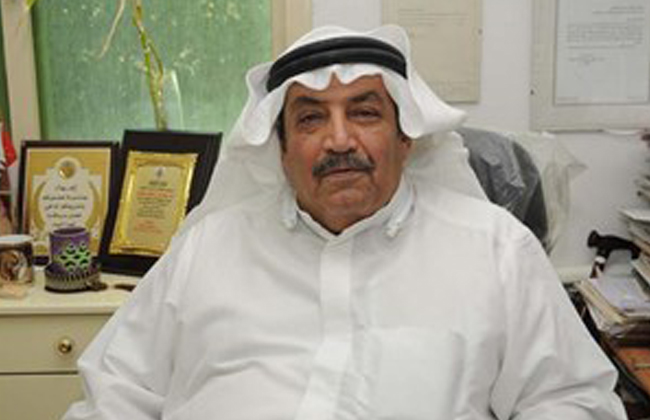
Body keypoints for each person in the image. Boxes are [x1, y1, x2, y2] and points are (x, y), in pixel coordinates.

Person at [63, 25, 627, 419]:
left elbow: (572, 400)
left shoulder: (496, 250)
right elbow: (115, 394)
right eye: (310, 119)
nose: (339, 139)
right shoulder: (206, 250)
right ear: (282, 150)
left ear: (405, 137)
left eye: (364, 112)